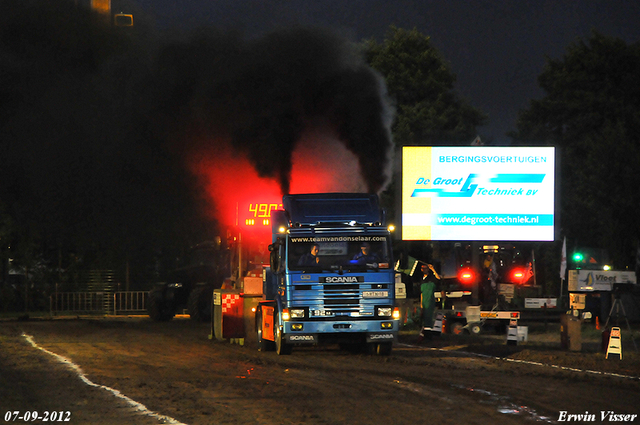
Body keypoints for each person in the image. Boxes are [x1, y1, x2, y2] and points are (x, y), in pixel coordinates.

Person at [419, 263, 441, 341]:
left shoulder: (431, 278)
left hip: (430, 301)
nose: (423, 269)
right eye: (422, 268)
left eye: (425, 268)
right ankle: (424, 335)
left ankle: (428, 336)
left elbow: (438, 278)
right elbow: (421, 293)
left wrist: (433, 269)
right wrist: (421, 305)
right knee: (424, 319)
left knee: (429, 318)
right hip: (424, 302)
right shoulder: (422, 280)